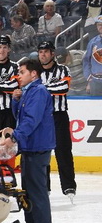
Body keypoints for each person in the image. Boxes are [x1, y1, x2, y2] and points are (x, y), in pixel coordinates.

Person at [1, 58, 55, 223]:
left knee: (37, 190)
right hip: (31, 147)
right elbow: (20, 117)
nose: (19, 76)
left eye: (22, 72)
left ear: (33, 74)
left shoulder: (38, 92)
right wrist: (16, 101)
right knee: (30, 190)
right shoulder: (29, 92)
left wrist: (14, 137)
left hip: (37, 147)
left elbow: (31, 121)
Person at [37, 41, 77, 200]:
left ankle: (69, 187)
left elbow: (64, 88)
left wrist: (41, 89)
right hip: (40, 118)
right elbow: (29, 90)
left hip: (59, 116)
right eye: (40, 52)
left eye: (46, 52)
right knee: (41, 152)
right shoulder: (34, 72)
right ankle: (44, 187)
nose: (43, 55)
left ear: (52, 54)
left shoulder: (63, 69)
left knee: (63, 151)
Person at [82, 15, 102, 95]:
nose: (101, 27)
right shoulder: (93, 42)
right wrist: (89, 78)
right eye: (99, 25)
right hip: (95, 82)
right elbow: (86, 60)